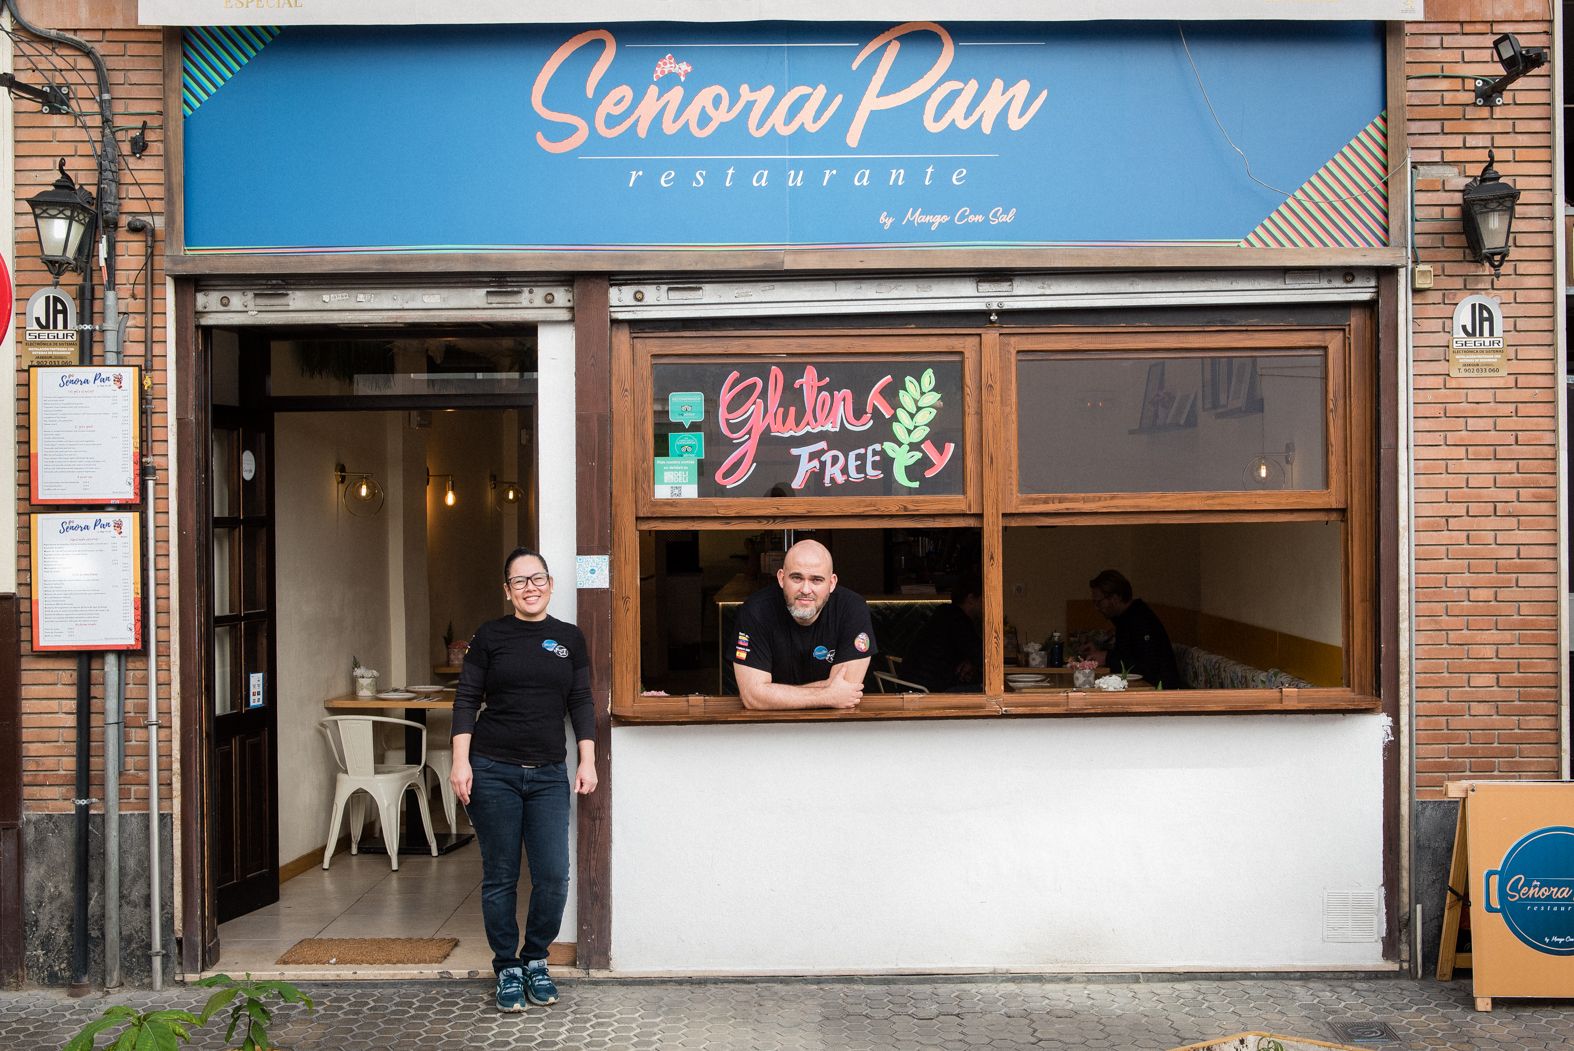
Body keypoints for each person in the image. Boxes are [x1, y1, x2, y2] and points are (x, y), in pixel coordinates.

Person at [450, 548, 598, 1013]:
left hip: (550, 773)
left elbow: (581, 704)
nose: (530, 587)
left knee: (553, 874)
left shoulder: (569, 638)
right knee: (501, 875)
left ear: (551, 584)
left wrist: (587, 761)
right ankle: (506, 966)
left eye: (538, 579)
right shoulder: (490, 636)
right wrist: (461, 762)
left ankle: (536, 958)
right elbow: (466, 699)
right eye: (519, 581)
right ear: (507, 590)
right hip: (493, 770)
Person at [731, 539, 874, 710]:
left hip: (835, 728)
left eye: (816, 580)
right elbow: (753, 698)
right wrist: (827, 695)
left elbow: (847, 690)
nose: (806, 590)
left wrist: (771, 694)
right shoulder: (756, 610)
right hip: (770, 728)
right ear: (781, 578)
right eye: (797, 578)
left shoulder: (853, 608)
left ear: (832, 583)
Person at [1082, 569, 1184, 689]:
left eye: (1099, 602)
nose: (1096, 608)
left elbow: (1148, 666)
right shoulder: (1126, 618)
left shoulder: (1141, 620)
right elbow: (1127, 655)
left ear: (1115, 598)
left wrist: (1107, 658)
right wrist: (1099, 653)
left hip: (1159, 691)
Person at [903, 573, 984, 692]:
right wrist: (973, 661)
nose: (986, 604)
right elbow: (983, 656)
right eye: (983, 598)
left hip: (916, 683)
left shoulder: (945, 614)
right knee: (986, 690)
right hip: (928, 691)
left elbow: (973, 652)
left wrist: (971, 661)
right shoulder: (957, 620)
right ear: (971, 599)